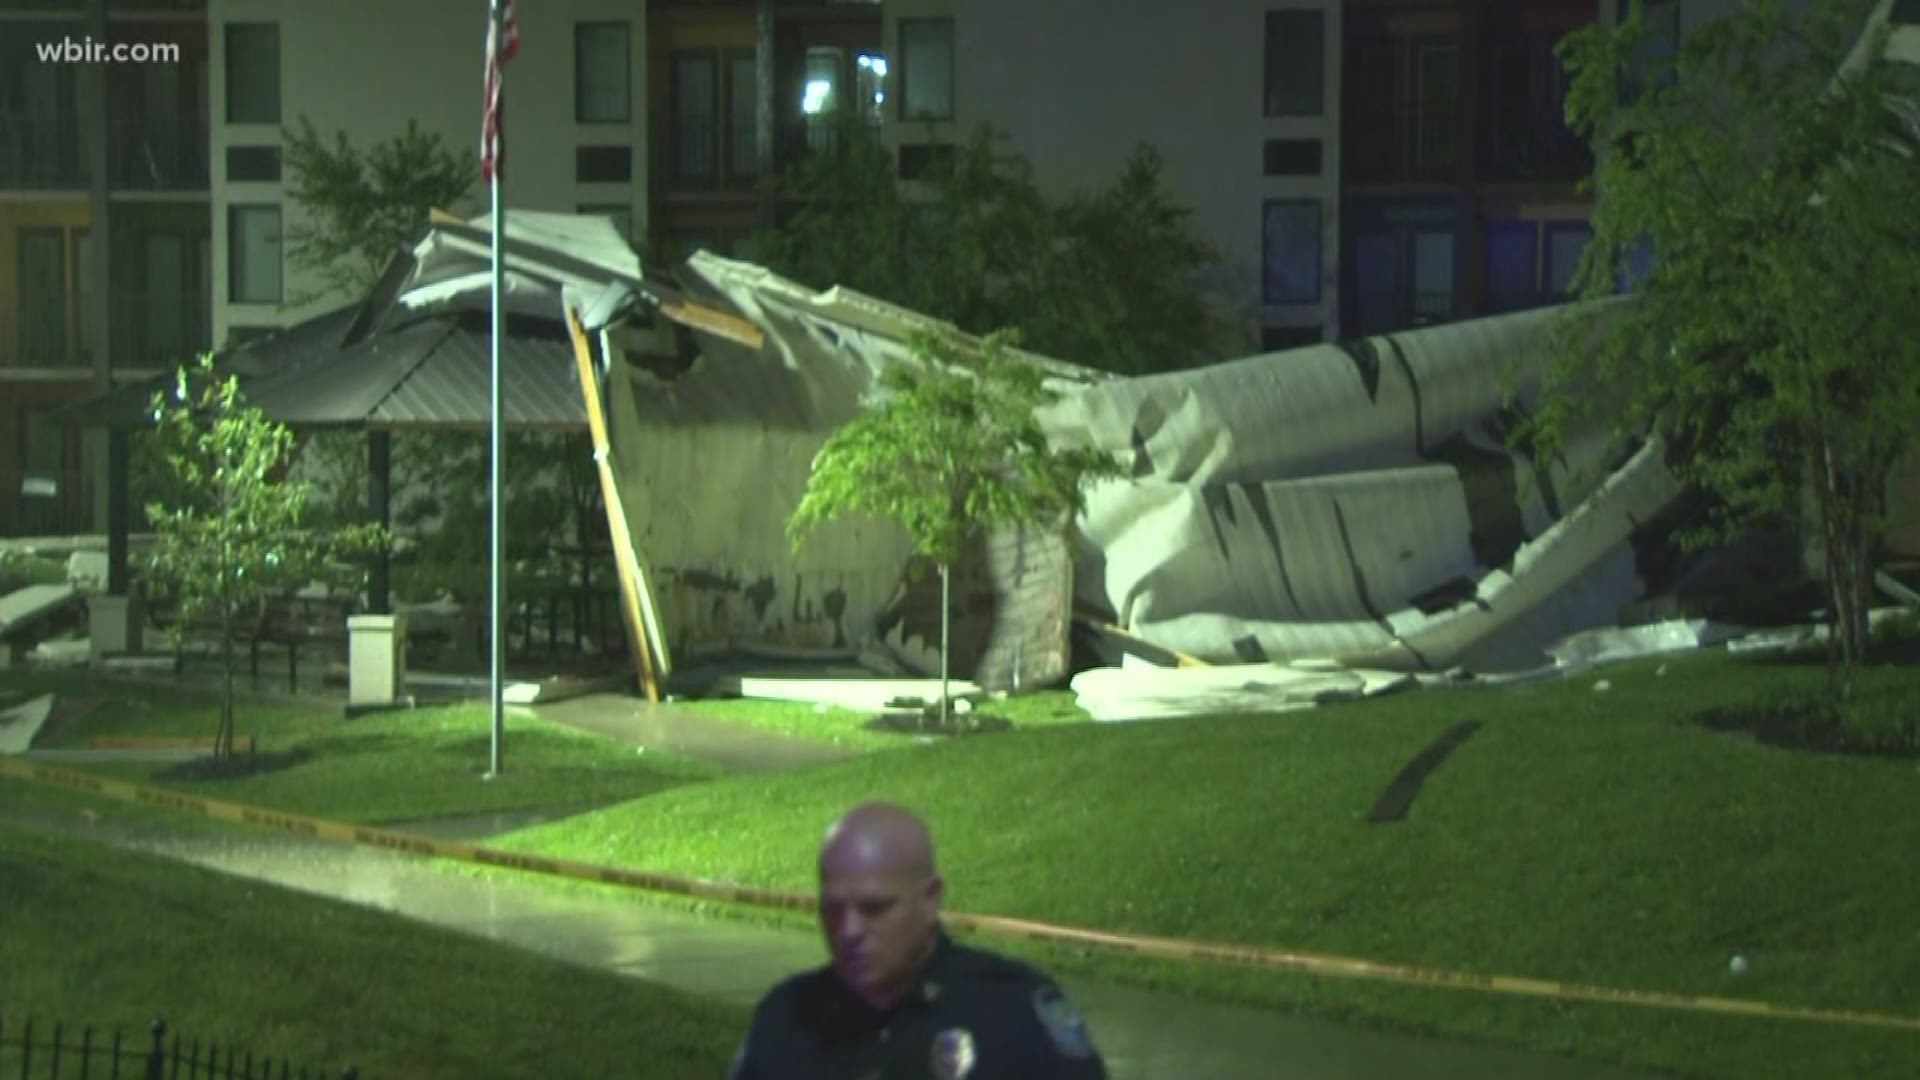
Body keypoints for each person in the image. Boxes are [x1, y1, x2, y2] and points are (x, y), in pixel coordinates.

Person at [729, 801, 1108, 1079]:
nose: (849, 931)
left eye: (874, 909)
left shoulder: (1012, 1016)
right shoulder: (788, 1018)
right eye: (833, 909)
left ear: (930, 900)